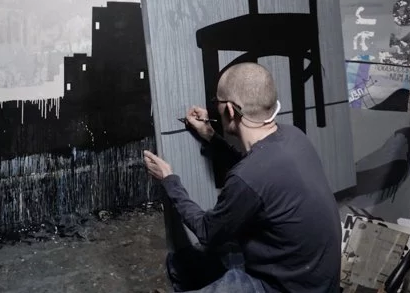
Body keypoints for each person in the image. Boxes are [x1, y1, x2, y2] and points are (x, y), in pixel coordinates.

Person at [143, 62, 342, 293]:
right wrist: (210, 135)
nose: (214, 107)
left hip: (284, 287)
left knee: (201, 260)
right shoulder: (294, 136)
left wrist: (169, 180)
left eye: (216, 102)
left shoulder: (247, 177)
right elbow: (256, 174)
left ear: (230, 109)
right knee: (180, 264)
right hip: (314, 278)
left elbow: (207, 232)